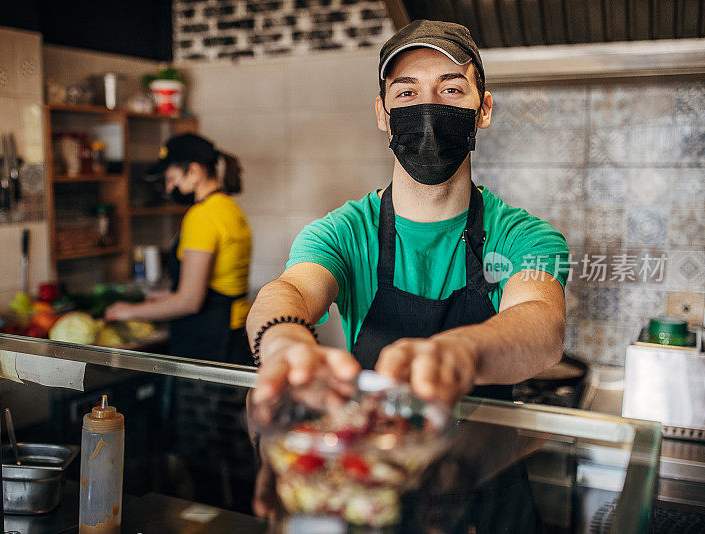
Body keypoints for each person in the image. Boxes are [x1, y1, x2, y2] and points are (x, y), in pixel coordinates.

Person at [247, 20, 570, 407]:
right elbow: (292, 289)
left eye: (451, 90)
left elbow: (542, 323)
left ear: (483, 110)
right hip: (376, 456)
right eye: (406, 92)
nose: (428, 109)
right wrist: (283, 340)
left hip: (485, 464)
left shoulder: (523, 236)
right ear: (383, 114)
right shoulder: (342, 233)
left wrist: (460, 352)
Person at [106, 133, 253, 364]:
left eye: (172, 178)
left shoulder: (202, 216)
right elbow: (218, 283)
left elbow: (189, 301)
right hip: (235, 333)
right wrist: (166, 295)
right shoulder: (228, 207)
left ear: (194, 172)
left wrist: (129, 310)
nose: (169, 187)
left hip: (209, 339)